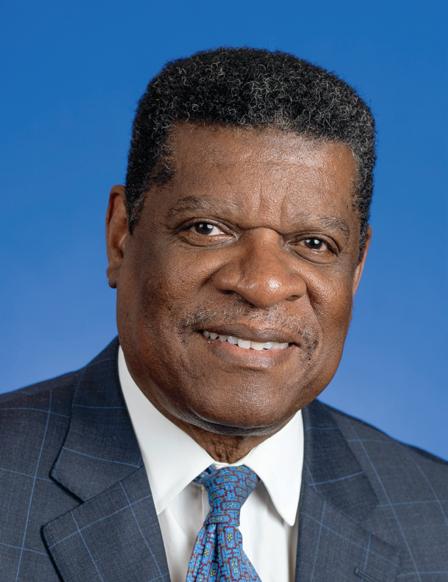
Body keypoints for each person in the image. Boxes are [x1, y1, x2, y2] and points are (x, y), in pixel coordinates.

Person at [1, 48, 447, 582]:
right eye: (207, 229)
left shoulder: (435, 516)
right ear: (121, 236)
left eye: (313, 243)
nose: (263, 285)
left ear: (356, 268)